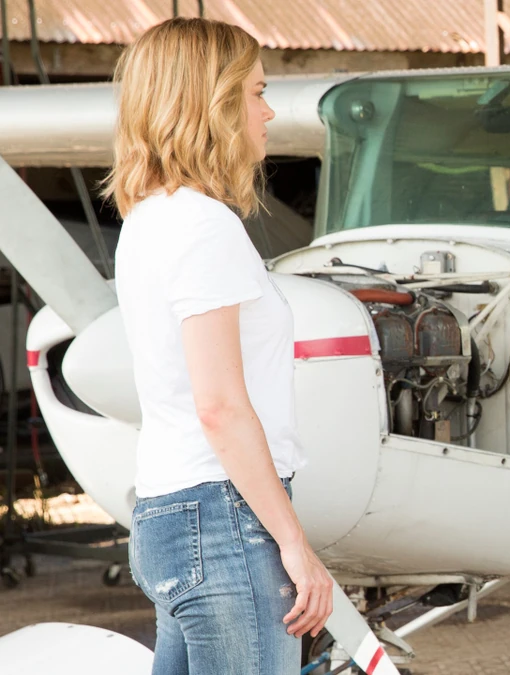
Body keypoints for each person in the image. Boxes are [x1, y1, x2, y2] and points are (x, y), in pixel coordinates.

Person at [102, 17, 333, 673]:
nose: (268, 111)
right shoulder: (204, 227)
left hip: (168, 511)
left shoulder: (147, 220)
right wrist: (294, 543)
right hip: (225, 517)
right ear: (214, 104)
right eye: (256, 92)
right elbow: (221, 406)